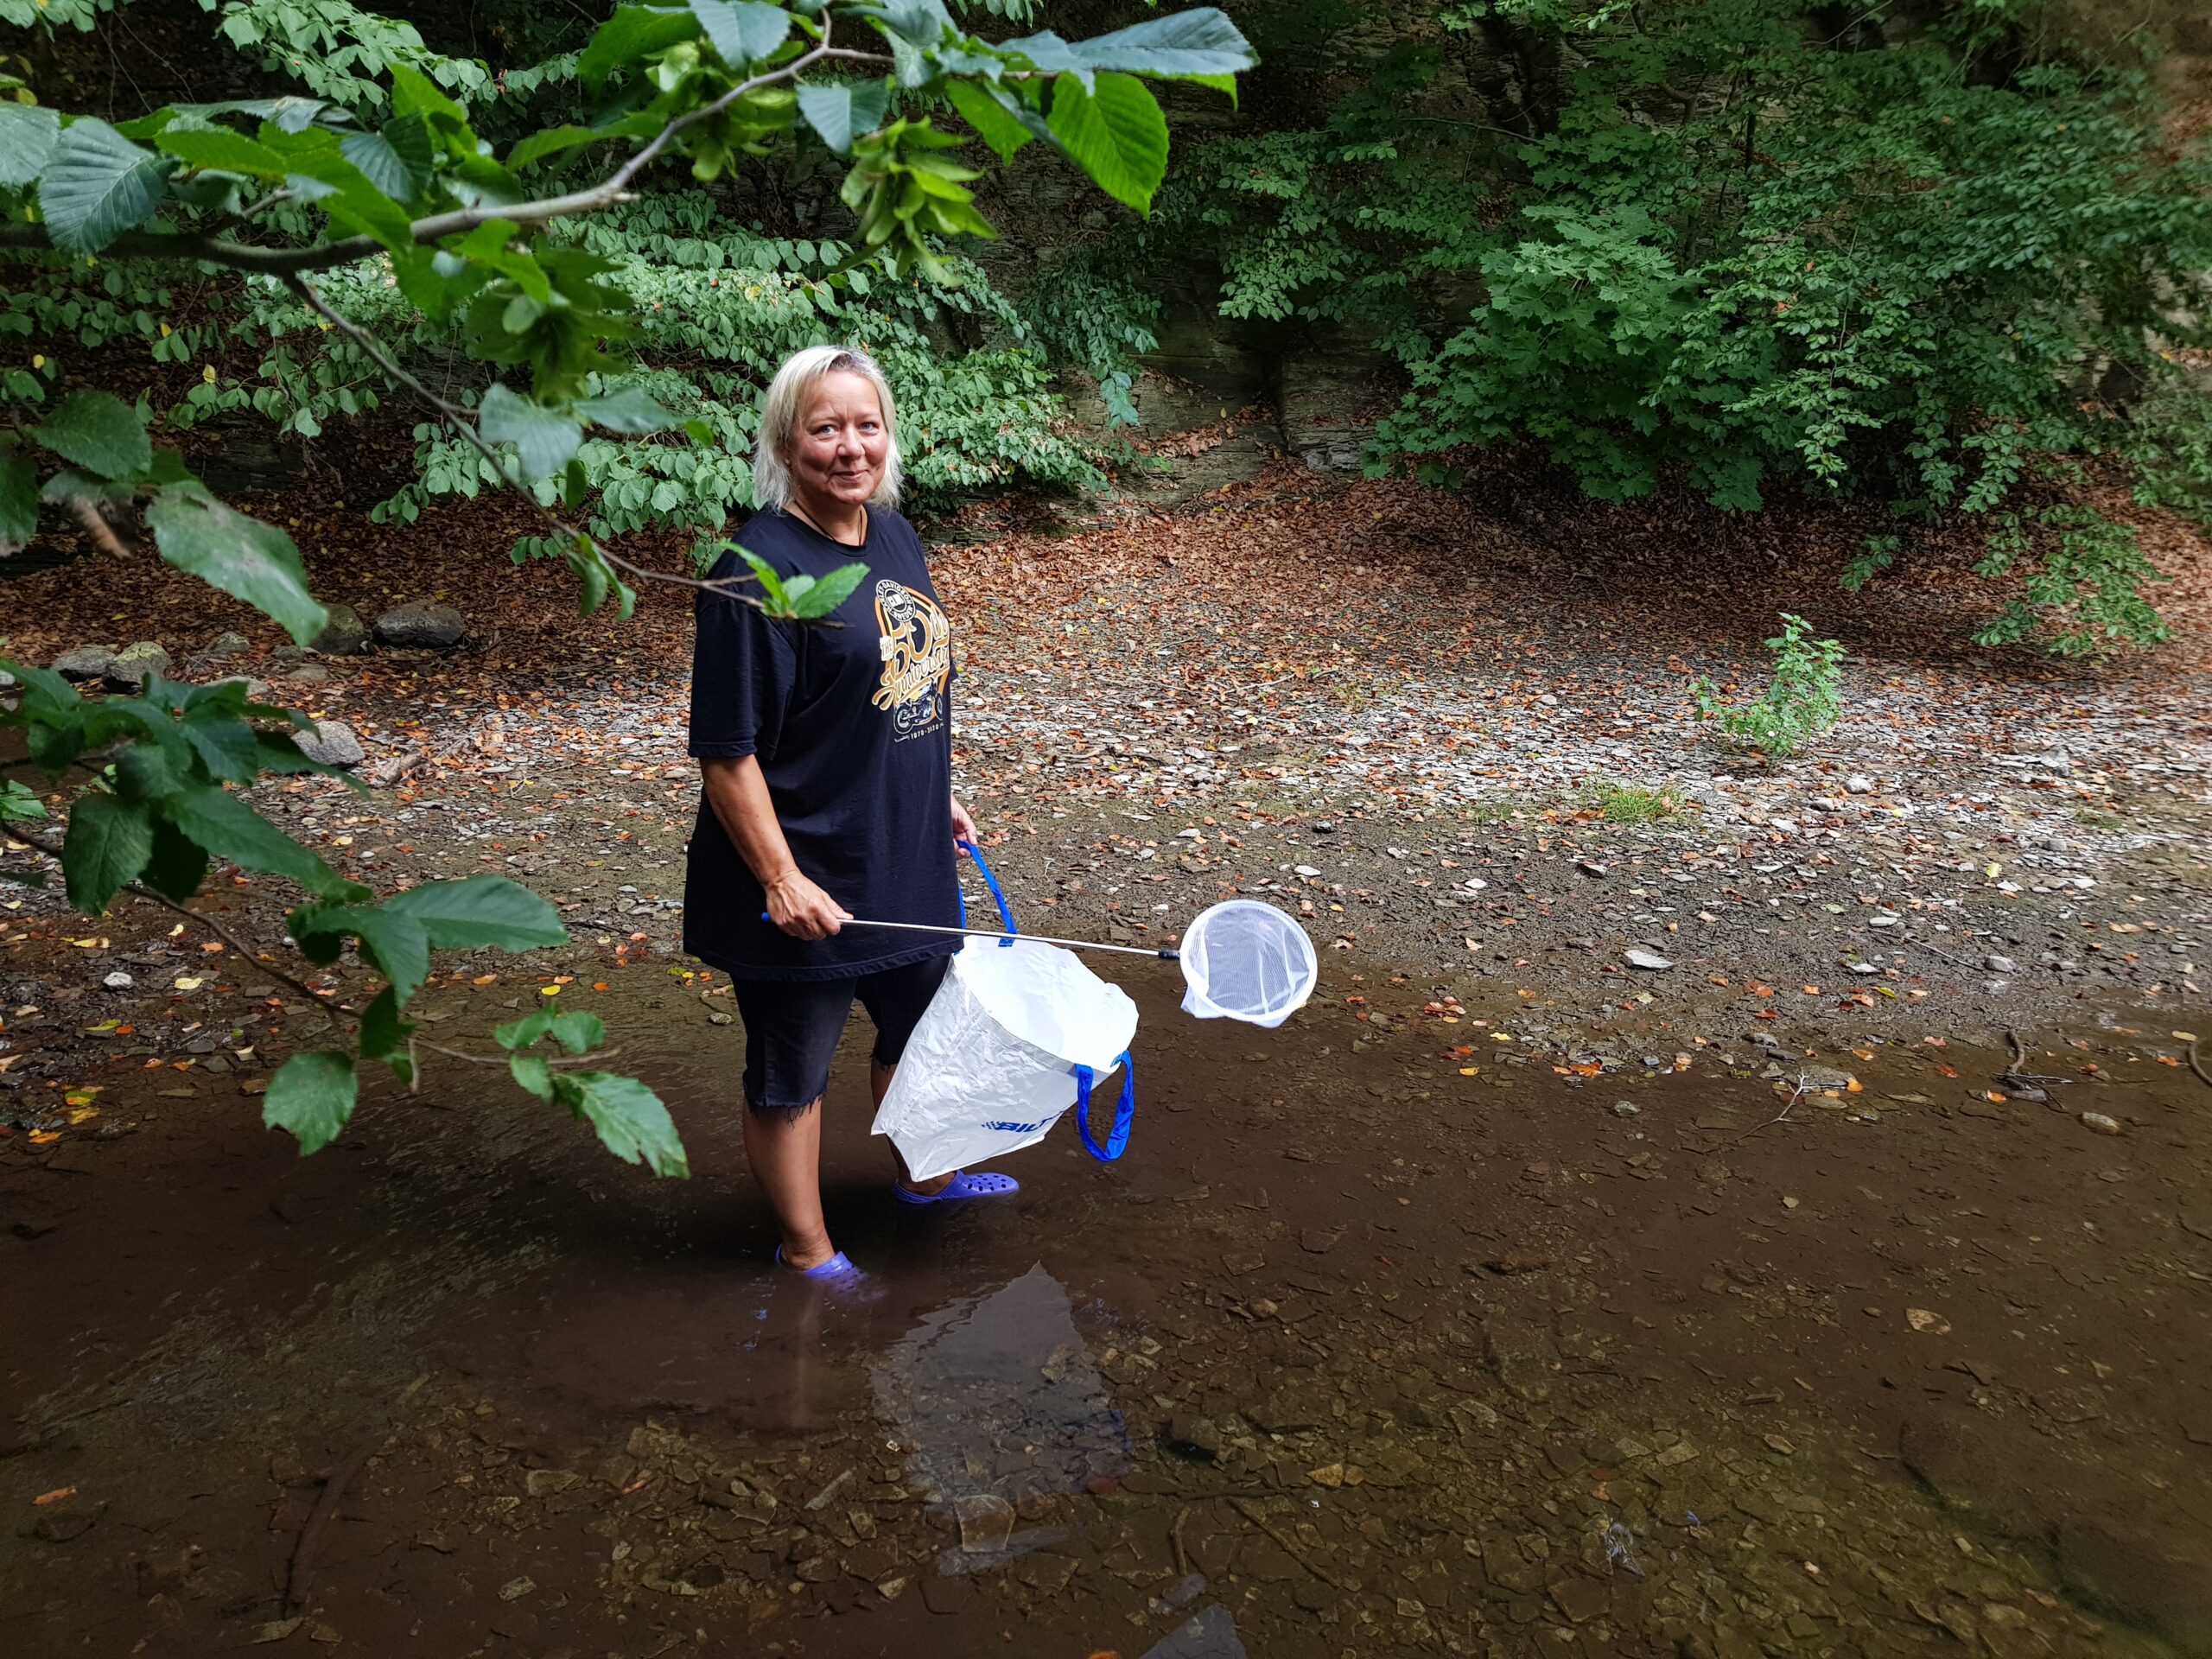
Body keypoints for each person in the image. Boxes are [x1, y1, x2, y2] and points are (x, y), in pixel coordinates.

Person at [685, 344, 1015, 1282]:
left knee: (921, 1032)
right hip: (805, 875)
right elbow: (727, 752)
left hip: (903, 853)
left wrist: (932, 792)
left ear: (888, 436)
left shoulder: (893, 534)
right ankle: (809, 1252)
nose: (849, 447)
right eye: (825, 428)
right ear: (786, 443)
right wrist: (780, 878)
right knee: (792, 1074)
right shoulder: (753, 573)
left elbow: (896, 686)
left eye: (866, 425)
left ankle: (925, 1177)